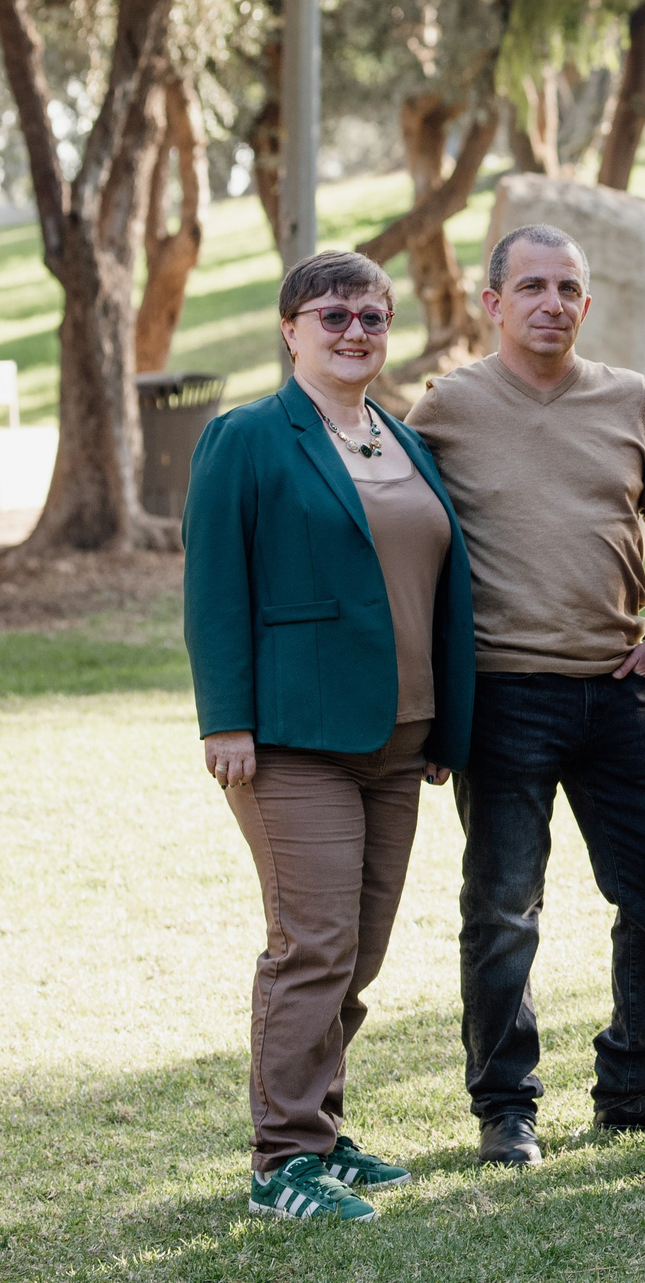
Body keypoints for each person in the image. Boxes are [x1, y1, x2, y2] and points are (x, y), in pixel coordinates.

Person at [184, 251, 475, 1223]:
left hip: (402, 735)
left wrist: (449, 722)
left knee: (359, 949)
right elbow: (214, 587)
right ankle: (281, 1163)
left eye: (374, 317)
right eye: (335, 314)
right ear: (291, 327)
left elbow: (439, 583)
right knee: (310, 943)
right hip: (290, 737)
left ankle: (318, 1123)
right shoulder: (248, 438)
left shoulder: (401, 438)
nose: (356, 331)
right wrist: (224, 718)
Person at [407, 225, 645, 1166]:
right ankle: (505, 1107)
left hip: (618, 693)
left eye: (568, 287)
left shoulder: (631, 401)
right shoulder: (447, 408)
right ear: (492, 304)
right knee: (502, 907)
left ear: (586, 304)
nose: (551, 304)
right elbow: (407, 542)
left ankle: (634, 1084)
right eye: (531, 286)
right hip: (502, 696)